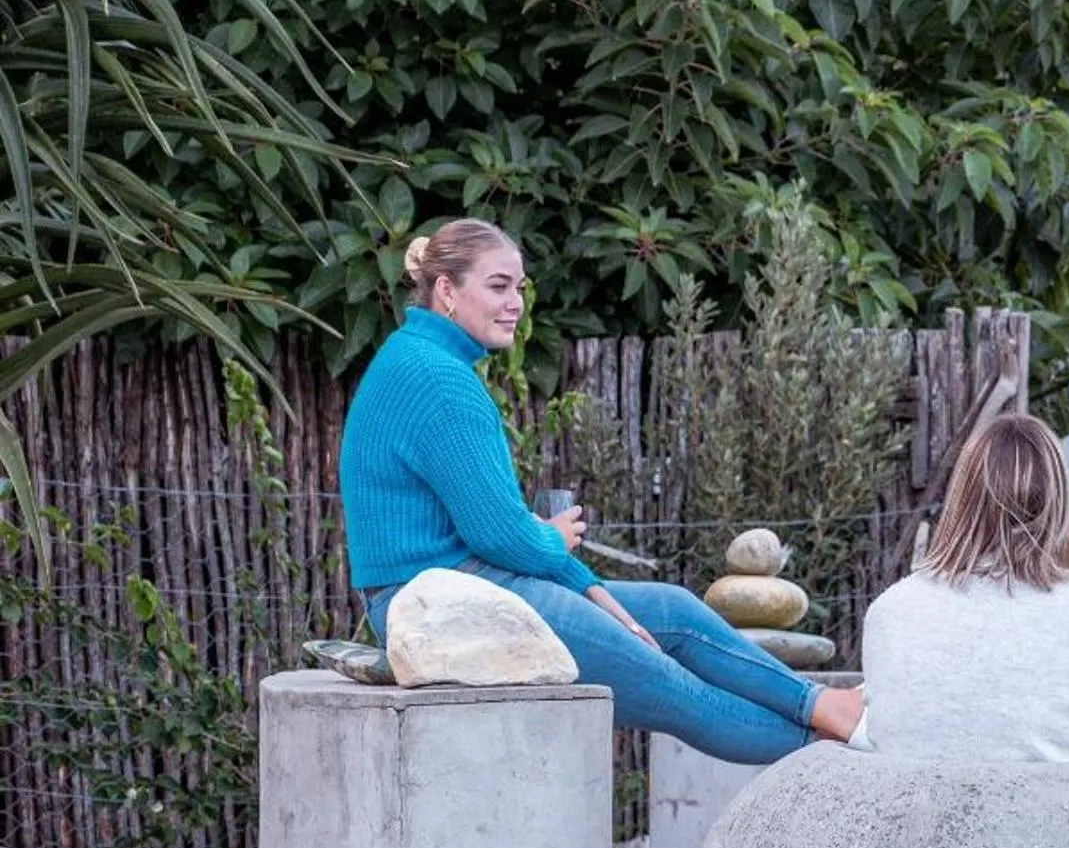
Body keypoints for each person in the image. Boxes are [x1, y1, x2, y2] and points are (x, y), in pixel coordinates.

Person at [339, 218, 864, 763]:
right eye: (498, 286)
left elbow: (500, 537)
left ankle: (822, 705)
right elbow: (502, 538)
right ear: (447, 290)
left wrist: (589, 587)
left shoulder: (421, 360)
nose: (515, 302)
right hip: (440, 609)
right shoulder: (439, 380)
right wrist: (556, 543)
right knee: (674, 690)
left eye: (518, 287)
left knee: (673, 609)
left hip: (459, 591)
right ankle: (829, 755)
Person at [860, 414, 1069, 764]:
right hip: (1065, 816)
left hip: (922, 817)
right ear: (1060, 504)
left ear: (962, 498)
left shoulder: (891, 612)